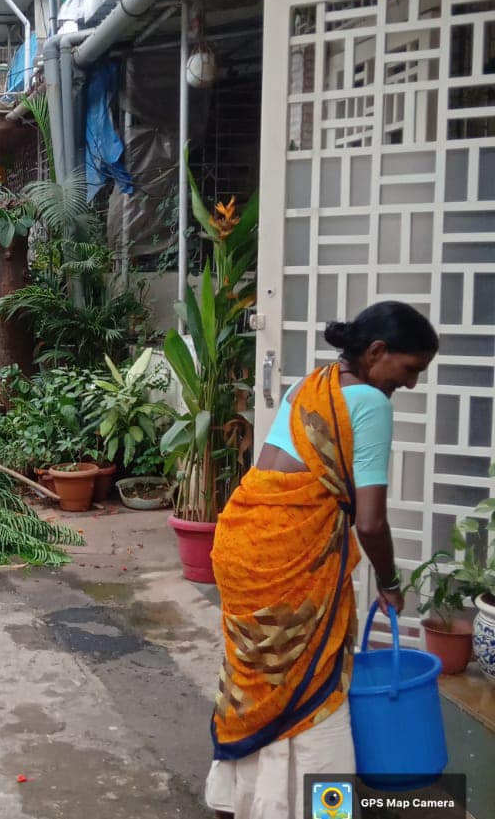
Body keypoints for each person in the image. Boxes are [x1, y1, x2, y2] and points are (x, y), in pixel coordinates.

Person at [205, 301, 439, 819]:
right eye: (410, 369)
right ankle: (321, 810)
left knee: (257, 679)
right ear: (377, 351)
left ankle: (237, 800)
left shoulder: (314, 384)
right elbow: (370, 523)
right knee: (314, 684)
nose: (412, 383)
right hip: (290, 556)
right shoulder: (371, 404)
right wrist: (390, 582)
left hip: (243, 540)